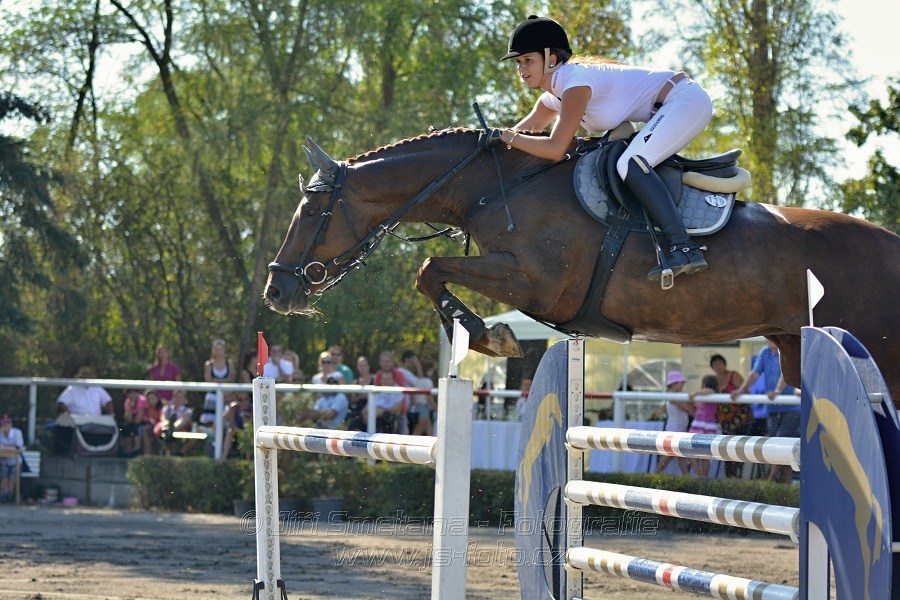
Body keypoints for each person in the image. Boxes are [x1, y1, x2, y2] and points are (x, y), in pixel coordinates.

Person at [491, 15, 713, 280]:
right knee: (627, 161)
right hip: (665, 109)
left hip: (685, 99)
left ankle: (684, 247)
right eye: (518, 62)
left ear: (551, 59)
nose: (521, 68)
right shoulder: (552, 98)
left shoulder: (576, 83)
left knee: (630, 163)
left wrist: (506, 137)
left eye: (528, 60)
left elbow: (554, 148)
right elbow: (519, 135)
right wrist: (487, 142)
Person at [731, 340, 799, 484]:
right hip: (773, 407)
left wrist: (777, 391)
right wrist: (741, 390)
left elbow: (786, 374)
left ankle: (767, 483)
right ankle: (786, 488)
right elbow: (754, 374)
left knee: (780, 445)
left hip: (792, 407)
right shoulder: (764, 352)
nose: (769, 339)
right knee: (780, 448)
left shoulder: (785, 350)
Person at [709, 354, 750, 477]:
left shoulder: (734, 375)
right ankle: (729, 477)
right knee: (725, 448)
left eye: (719, 363)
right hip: (723, 420)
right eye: (715, 364)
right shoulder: (713, 379)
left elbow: (746, 391)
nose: (718, 366)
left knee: (737, 447)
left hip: (739, 418)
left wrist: (736, 393)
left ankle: (736, 477)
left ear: (724, 363)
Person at [653, 371, 694, 476]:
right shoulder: (674, 397)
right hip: (675, 430)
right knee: (670, 455)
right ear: (674, 384)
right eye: (680, 382)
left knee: (680, 456)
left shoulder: (673, 396)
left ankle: (686, 477)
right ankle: (655, 475)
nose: (682, 385)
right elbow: (689, 411)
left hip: (676, 428)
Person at [687, 375, 720, 478]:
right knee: (692, 452)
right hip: (699, 425)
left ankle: (703, 477)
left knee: (704, 455)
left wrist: (695, 393)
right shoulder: (702, 396)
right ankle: (700, 475)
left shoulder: (711, 394)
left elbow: (709, 391)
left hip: (706, 426)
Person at [201, 339, 236, 427]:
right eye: (217, 349)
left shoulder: (229, 363)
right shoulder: (209, 364)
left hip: (227, 397)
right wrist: (224, 381)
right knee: (210, 423)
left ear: (224, 350)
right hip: (212, 396)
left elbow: (231, 379)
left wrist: (216, 380)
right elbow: (209, 381)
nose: (219, 352)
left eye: (220, 349)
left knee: (225, 421)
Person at [374, 351, 408, 434]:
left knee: (403, 437)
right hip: (381, 412)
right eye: (383, 361)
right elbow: (377, 395)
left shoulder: (399, 374)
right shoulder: (378, 374)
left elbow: (401, 396)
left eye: (387, 361)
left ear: (392, 362)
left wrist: (394, 412)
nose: (385, 364)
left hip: (398, 412)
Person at [364, 368, 405, 433]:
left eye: (388, 379)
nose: (386, 382)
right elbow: (365, 410)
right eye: (384, 379)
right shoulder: (377, 390)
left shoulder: (398, 391)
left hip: (388, 420)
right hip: (372, 418)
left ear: (394, 380)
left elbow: (396, 411)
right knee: (357, 422)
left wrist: (381, 411)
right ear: (381, 381)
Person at [159, 390, 197, 455]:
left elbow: (187, 421)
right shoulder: (167, 409)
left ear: (185, 399)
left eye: (181, 397)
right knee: (163, 423)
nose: (178, 399)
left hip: (181, 429)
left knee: (185, 417)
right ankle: (169, 430)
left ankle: (172, 429)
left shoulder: (187, 411)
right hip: (166, 428)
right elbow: (163, 418)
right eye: (177, 397)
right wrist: (166, 423)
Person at [220, 391, 252, 460]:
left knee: (248, 434)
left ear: (249, 399)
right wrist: (240, 432)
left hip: (248, 431)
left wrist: (244, 418)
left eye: (246, 399)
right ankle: (223, 459)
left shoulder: (252, 409)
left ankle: (247, 461)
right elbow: (231, 424)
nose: (244, 401)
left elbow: (250, 426)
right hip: (237, 431)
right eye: (240, 399)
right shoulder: (234, 408)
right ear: (237, 401)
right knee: (230, 432)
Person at [0, 415, 25, 502]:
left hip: (15, 462)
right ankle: (4, 495)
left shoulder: (17, 432)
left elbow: (19, 446)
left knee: (12, 480)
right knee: (4, 479)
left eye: (8, 423)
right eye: (4, 424)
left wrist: (6, 446)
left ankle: (10, 496)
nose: (6, 426)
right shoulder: (0, 433)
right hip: (3, 461)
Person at [120, 389, 148, 457]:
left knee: (136, 428)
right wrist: (130, 408)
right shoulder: (128, 401)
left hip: (144, 422)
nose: (131, 395)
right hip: (133, 422)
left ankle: (137, 450)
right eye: (129, 394)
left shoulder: (142, 400)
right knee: (126, 428)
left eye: (132, 393)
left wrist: (131, 420)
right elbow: (127, 419)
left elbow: (138, 420)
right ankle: (128, 452)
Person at [141, 390, 164, 455]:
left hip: (162, 427)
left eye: (153, 398)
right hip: (153, 427)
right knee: (146, 430)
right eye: (149, 399)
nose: (151, 401)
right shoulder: (148, 408)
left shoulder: (163, 407)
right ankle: (147, 454)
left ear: (158, 398)